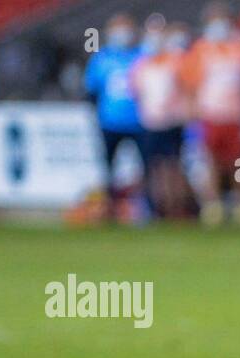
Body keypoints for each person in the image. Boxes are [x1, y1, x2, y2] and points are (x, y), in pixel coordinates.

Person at [181, 2, 240, 225]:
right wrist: (192, 111)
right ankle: (213, 205)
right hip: (210, 114)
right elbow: (190, 84)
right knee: (211, 161)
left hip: (236, 114)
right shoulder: (200, 49)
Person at [84, 13, 145, 220]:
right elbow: (92, 91)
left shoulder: (143, 55)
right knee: (108, 168)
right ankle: (108, 209)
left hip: (140, 123)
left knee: (146, 167)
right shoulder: (102, 58)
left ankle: (145, 208)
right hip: (110, 123)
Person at [131, 16, 192, 219]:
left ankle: (177, 207)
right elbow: (136, 93)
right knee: (153, 168)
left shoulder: (176, 61)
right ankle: (157, 208)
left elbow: (187, 89)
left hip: (172, 122)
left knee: (173, 166)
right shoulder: (140, 64)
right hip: (150, 123)